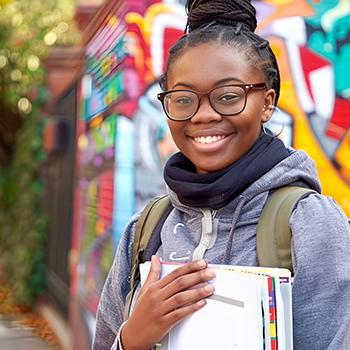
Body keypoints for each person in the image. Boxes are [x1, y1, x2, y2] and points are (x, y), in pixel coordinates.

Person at [92, 0, 350, 349]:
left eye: (228, 96)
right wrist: (132, 339)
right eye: (183, 99)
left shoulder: (307, 223)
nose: (203, 115)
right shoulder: (145, 230)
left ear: (268, 103)